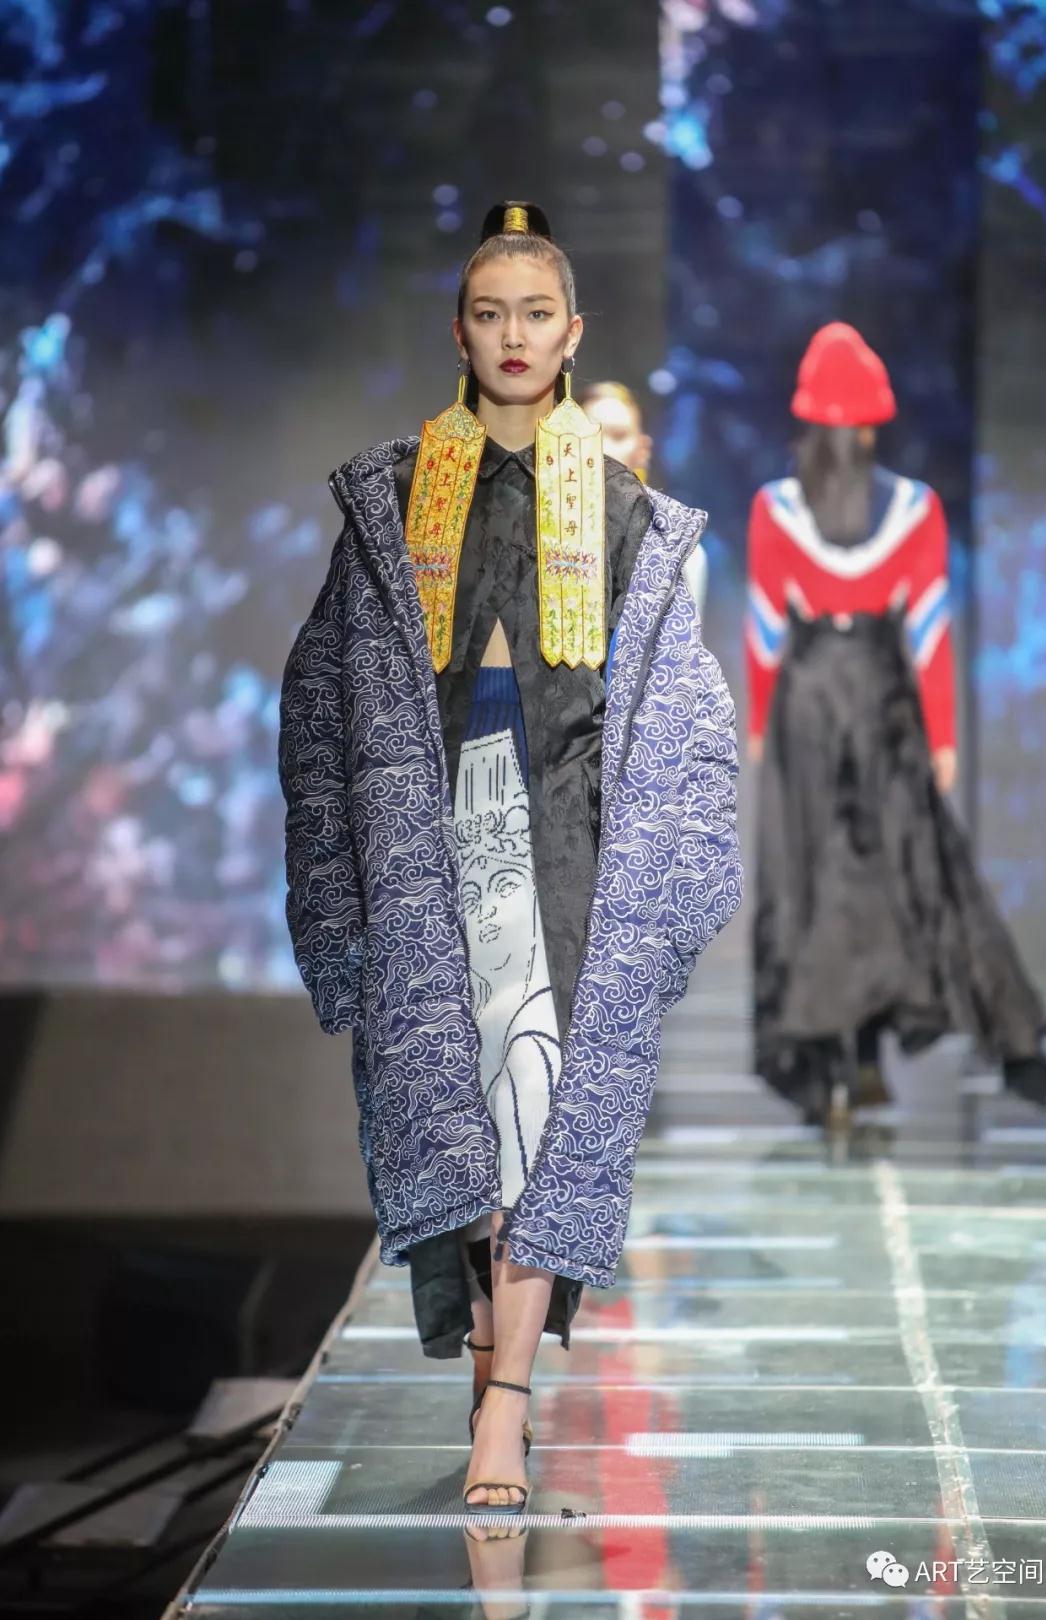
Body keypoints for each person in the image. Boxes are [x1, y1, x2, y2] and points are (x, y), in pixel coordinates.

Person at [279, 201, 742, 1515]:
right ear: (460, 331)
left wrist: (672, 888)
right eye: (492, 313)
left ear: (573, 331)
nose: (515, 336)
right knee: (457, 1121)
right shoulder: (390, 501)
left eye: (537, 313)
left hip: (568, 851)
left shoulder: (630, 514)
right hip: (428, 852)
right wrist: (336, 880)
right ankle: (492, 1364)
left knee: (542, 1118)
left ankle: (507, 1407)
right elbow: (320, 698)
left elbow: (683, 710)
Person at [746, 322, 1046, 1128]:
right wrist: (942, 733)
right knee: (889, 871)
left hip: (810, 701)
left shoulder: (776, 508)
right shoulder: (915, 509)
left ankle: (833, 1063)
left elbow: (766, 629)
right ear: (871, 427)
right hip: (882, 698)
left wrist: (760, 719)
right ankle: (865, 1055)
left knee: (814, 875)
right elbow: (929, 631)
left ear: (808, 421)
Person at [581, 379, 708, 620]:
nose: (600, 448)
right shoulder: (532, 535)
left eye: (617, 435)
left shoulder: (678, 552)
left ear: (642, 450)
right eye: (587, 435)